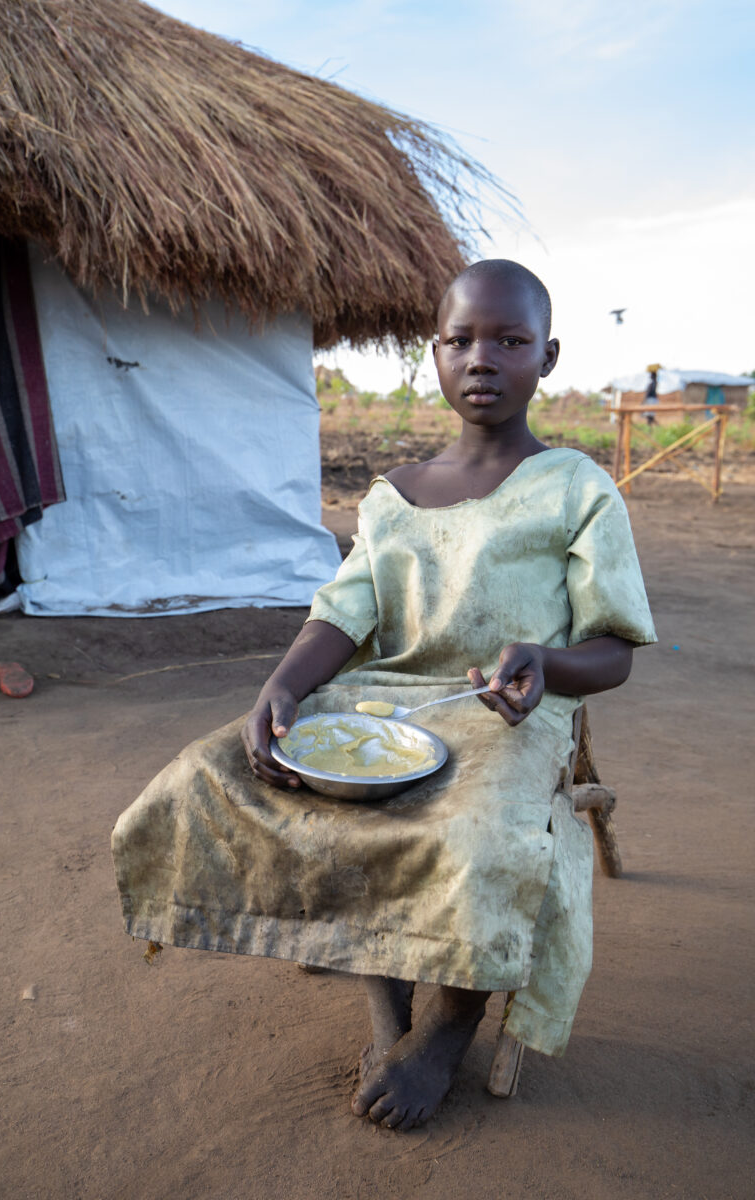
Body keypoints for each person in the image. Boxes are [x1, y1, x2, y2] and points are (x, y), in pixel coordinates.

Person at [112, 259, 656, 1132]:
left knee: (475, 831)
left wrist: (548, 666)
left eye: (510, 340)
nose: (483, 358)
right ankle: (385, 1007)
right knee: (220, 777)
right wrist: (281, 688)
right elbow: (341, 616)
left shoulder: (575, 490)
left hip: (506, 712)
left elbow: (616, 650)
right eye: (461, 340)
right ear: (432, 356)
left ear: (546, 357)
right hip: (382, 704)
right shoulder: (393, 499)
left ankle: (445, 1030)